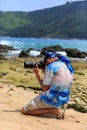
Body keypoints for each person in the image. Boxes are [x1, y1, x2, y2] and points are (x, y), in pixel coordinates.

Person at [21, 51, 74, 119]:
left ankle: (52, 110)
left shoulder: (51, 66)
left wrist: (38, 74)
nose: (46, 63)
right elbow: (58, 81)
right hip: (64, 99)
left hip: (52, 98)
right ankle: (58, 107)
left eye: (46, 60)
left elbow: (45, 88)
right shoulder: (68, 66)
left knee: (24, 110)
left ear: (53, 58)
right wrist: (45, 72)